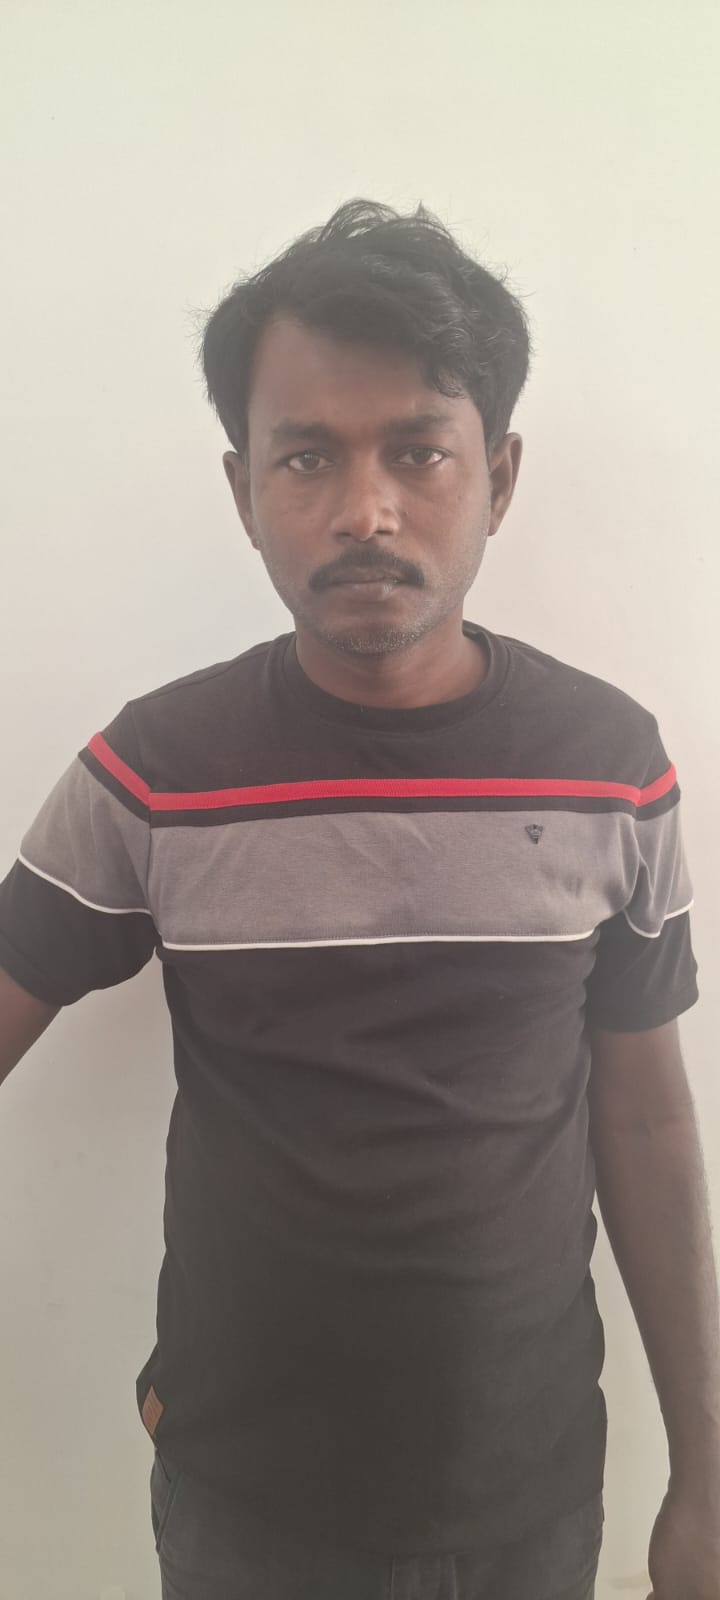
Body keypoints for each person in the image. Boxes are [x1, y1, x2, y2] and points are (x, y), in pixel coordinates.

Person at [0, 198, 717, 1600]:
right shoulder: (157, 769)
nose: (365, 511)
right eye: (309, 455)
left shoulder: (612, 769)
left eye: (420, 451)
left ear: (499, 475)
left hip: (528, 1494)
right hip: (243, 1502)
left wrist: (705, 1467)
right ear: (243, 487)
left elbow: (645, 1120)